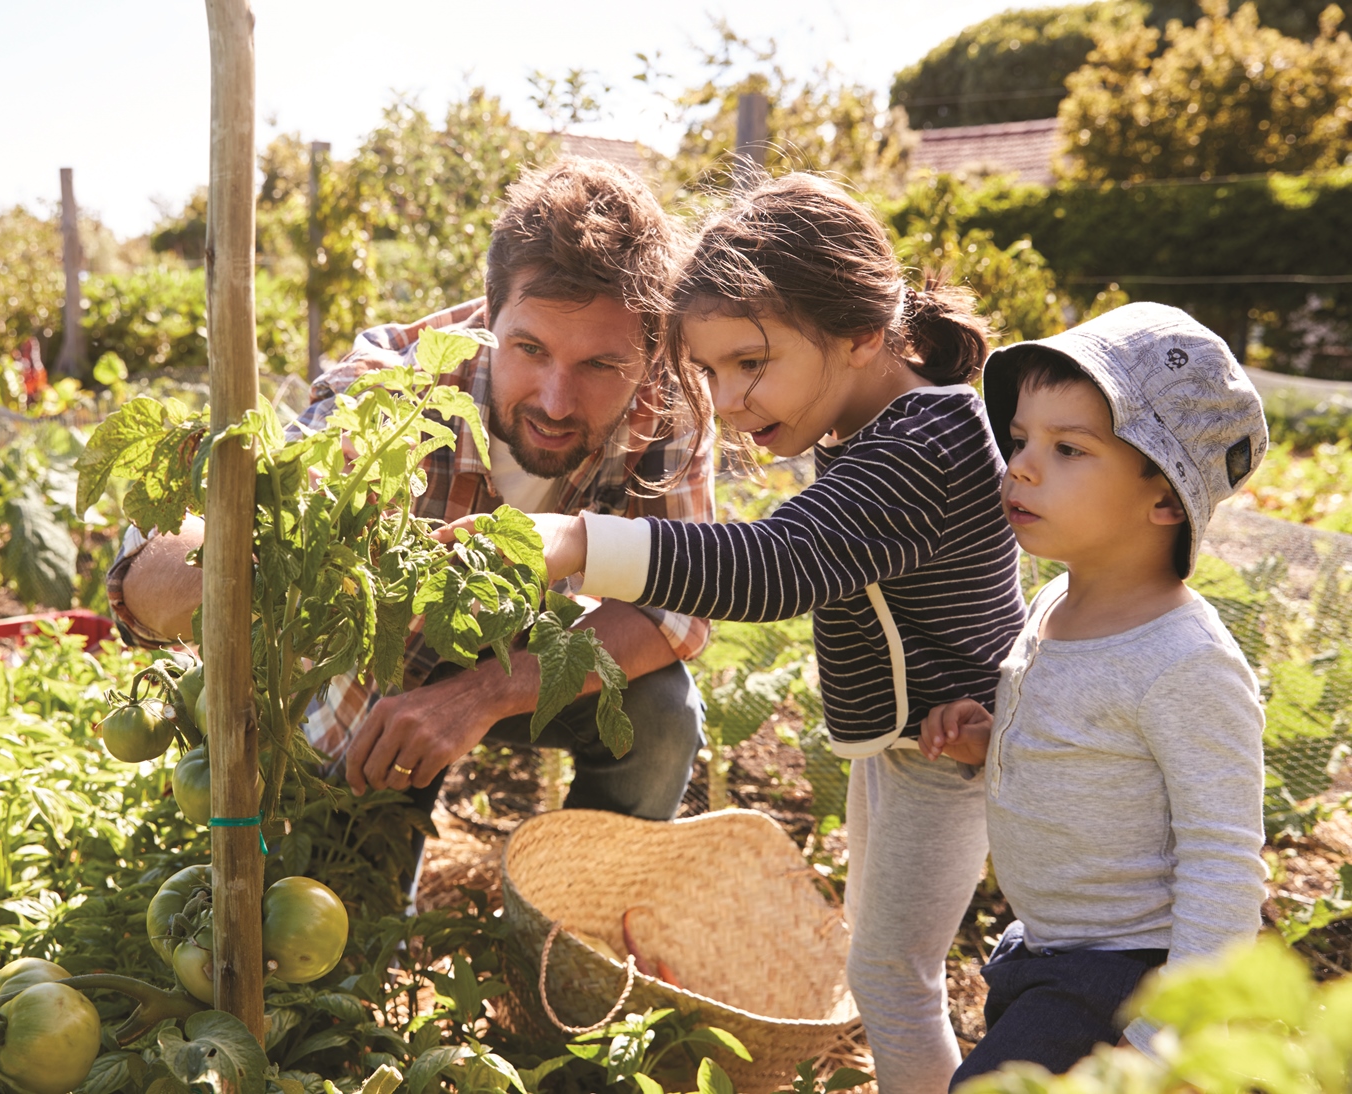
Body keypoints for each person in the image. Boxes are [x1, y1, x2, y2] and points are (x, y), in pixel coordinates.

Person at [477, 173, 1028, 1094]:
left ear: (861, 334)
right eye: (712, 371)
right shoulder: (880, 425)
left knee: (896, 982)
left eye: (750, 362)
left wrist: (576, 543)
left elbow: (776, 565)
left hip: (948, 755)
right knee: (890, 966)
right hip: (909, 749)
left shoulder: (924, 442)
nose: (727, 400)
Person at [107, 157, 715, 829]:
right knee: (353, 895)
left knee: (661, 712)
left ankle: (580, 915)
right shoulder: (394, 387)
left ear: (651, 347)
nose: (555, 399)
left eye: (601, 364)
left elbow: (675, 608)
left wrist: (481, 694)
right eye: (530, 349)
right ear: (489, 313)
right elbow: (211, 543)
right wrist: (205, 567)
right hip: (385, 679)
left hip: (525, 653)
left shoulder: (670, 403)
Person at [920, 303, 1268, 1086]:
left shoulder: (1185, 662)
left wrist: (1161, 1039)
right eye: (1020, 440)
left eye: (1068, 448)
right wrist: (992, 738)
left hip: (1124, 979)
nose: (1022, 466)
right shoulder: (1054, 604)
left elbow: (1224, 864)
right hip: (1046, 951)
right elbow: (1084, 744)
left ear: (1166, 500)